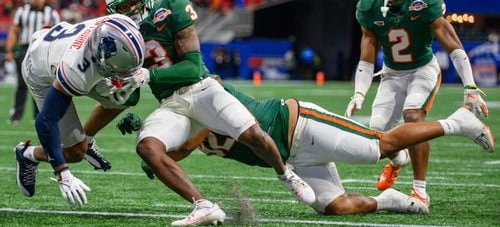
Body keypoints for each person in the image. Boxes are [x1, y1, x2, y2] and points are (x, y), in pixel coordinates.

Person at [101, 0, 314, 225]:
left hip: (202, 88)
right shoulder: (117, 35)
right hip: (171, 104)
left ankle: (286, 174)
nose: (131, 10)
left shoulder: (171, 6)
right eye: (123, 6)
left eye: (134, 1)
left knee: (253, 135)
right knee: (147, 147)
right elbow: (130, 91)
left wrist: (147, 76)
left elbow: (191, 67)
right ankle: (203, 205)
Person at [117, 82, 494, 216]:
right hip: (295, 157)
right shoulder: (183, 116)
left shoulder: (203, 98)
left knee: (376, 147)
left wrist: (153, 147)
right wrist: (154, 145)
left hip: (301, 126)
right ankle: (395, 201)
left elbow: (183, 147)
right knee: (334, 207)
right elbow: (177, 148)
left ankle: (458, 121)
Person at [344, 0, 489, 208]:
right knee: (375, 134)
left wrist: (470, 86)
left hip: (423, 70)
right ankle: (399, 161)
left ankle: (420, 191)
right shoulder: (369, 6)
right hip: (391, 74)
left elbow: (454, 47)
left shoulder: (425, 1)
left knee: (413, 115)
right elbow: (366, 58)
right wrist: (359, 94)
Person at [14, 13, 146, 206]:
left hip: (62, 44)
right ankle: (26, 154)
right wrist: (62, 172)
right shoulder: (75, 68)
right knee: (75, 152)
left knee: (125, 94)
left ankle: (88, 139)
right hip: (39, 69)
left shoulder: (120, 22)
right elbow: (45, 121)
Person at [4, 0, 60, 125]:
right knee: (22, 84)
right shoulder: (22, 11)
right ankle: (16, 115)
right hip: (25, 48)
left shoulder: (52, 13)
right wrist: (9, 50)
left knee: (41, 83)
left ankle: (39, 115)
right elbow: (14, 30)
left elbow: (59, 34)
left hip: (43, 50)